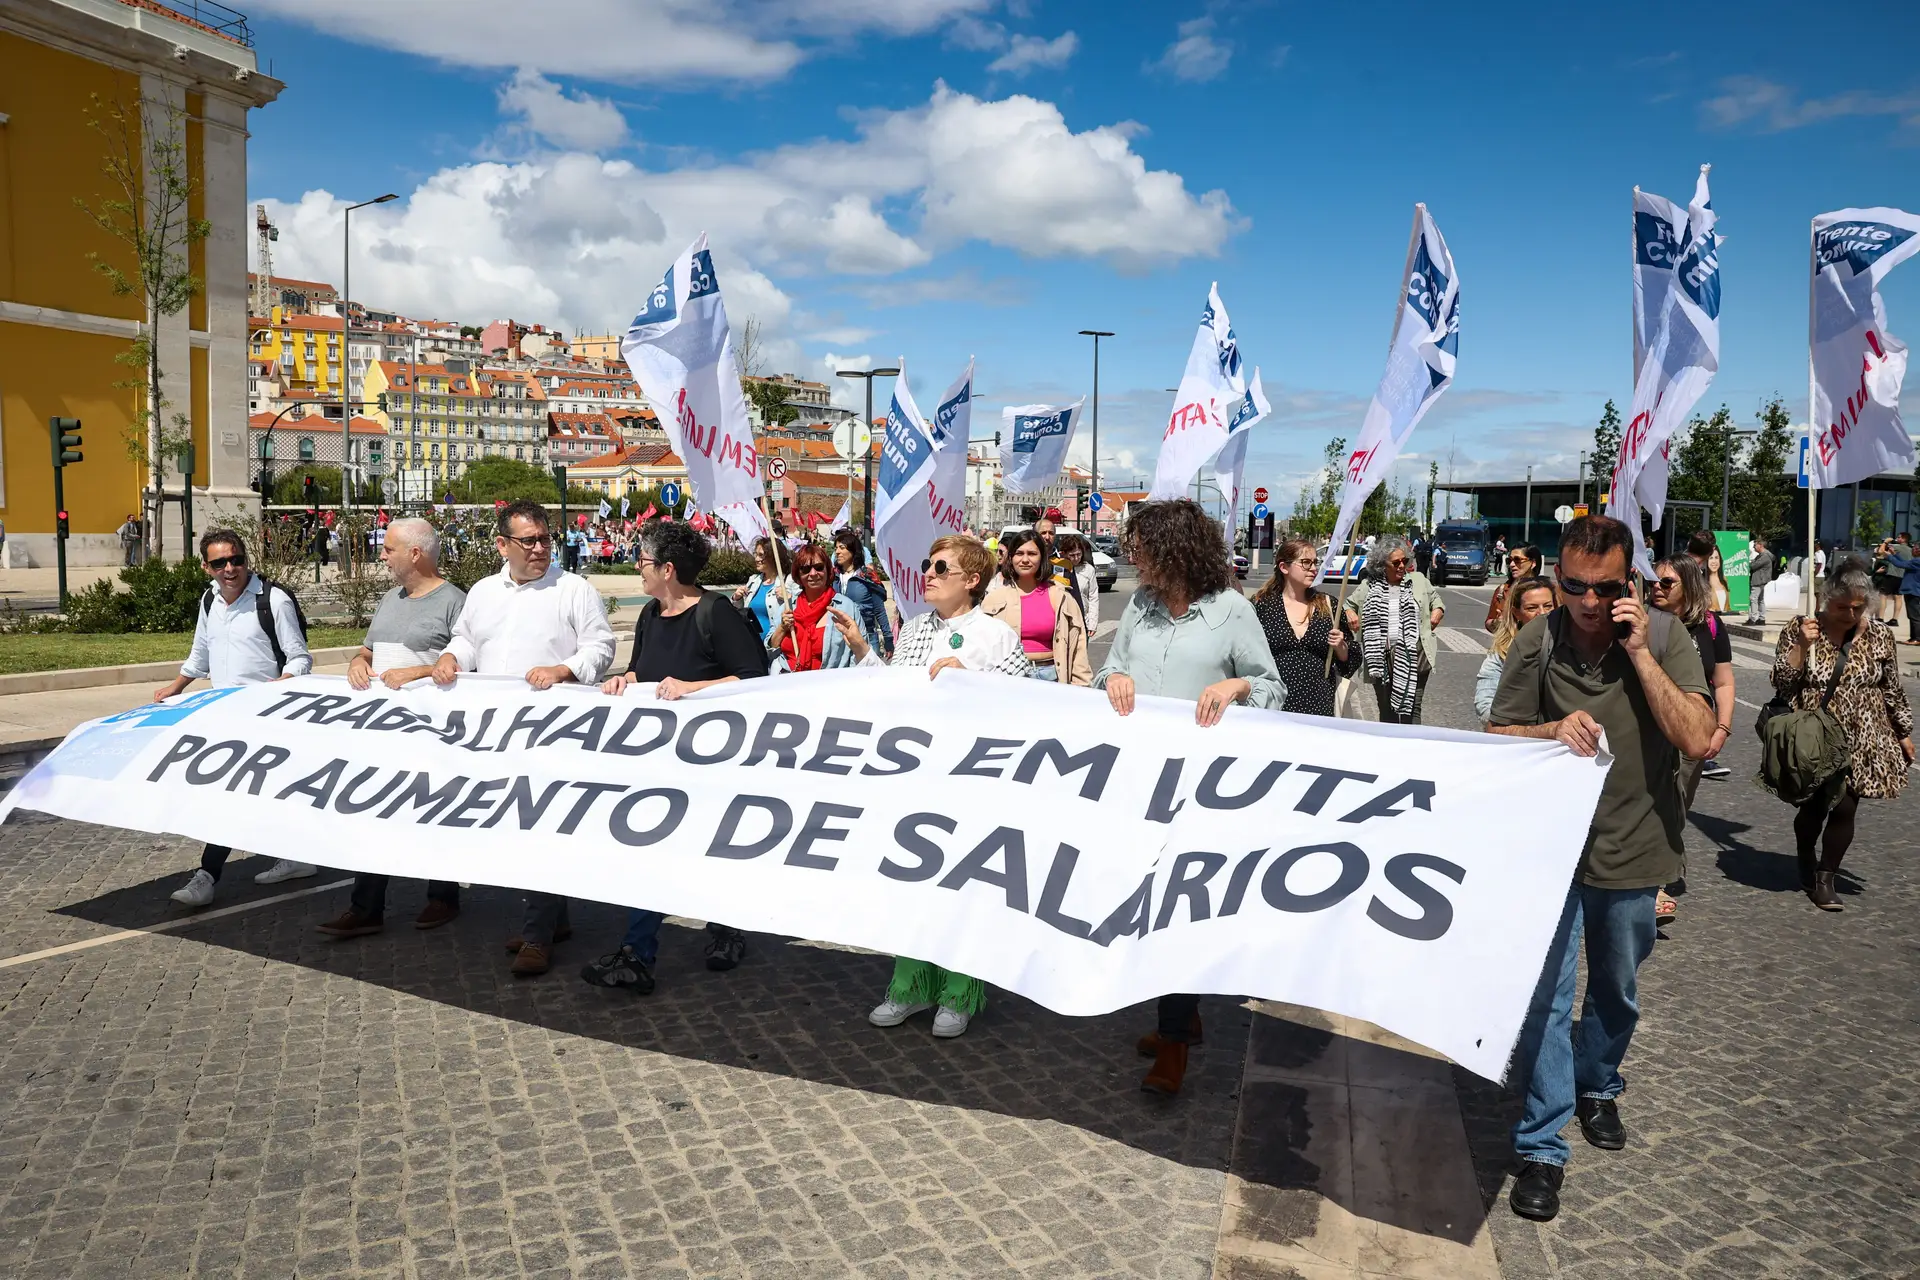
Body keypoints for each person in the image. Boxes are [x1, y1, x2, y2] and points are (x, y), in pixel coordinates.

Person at [1489, 514, 1713, 1224]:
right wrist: (1548, 730)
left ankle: (1598, 1083)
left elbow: (1700, 737)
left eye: (1604, 588)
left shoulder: (1669, 637)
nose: (1587, 602)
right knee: (1547, 1004)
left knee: (1615, 989)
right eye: (1574, 587)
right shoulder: (1539, 638)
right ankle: (1543, 1148)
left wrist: (1642, 655)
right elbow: (1496, 735)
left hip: (1636, 846)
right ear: (1558, 579)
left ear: (1630, 584)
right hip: (1551, 852)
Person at [1095, 499, 1283, 1096]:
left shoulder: (1230, 610)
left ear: (1174, 548)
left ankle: (1173, 1040)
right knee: (1142, 900)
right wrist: (1112, 678)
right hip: (1139, 779)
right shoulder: (1140, 605)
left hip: (1203, 787)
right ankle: (1183, 1015)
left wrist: (1237, 684)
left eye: (1141, 547)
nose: (1132, 557)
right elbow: (1111, 671)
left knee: (1173, 907)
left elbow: (1272, 686)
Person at [833, 534, 1033, 1037]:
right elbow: (895, 691)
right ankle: (910, 986)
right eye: (927, 564)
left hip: (972, 780)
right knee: (914, 883)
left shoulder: (996, 635)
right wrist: (862, 651)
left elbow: (1026, 705)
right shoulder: (916, 628)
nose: (928, 573)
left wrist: (973, 680)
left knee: (963, 886)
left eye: (940, 567)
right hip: (919, 776)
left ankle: (959, 992)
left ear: (970, 580)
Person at [580, 521, 772, 994]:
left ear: (668, 569)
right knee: (652, 852)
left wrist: (693, 689)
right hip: (656, 761)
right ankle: (636, 954)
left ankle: (726, 928)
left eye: (643, 563)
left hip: (712, 762)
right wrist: (625, 679)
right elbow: (640, 668)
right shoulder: (648, 614)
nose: (637, 570)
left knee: (711, 849)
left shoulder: (716, 613)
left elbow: (754, 678)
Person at [431, 500, 617, 977]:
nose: (539, 548)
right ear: (502, 545)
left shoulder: (573, 589)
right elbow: (468, 639)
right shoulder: (482, 591)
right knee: (518, 829)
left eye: (544, 539)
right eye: (528, 540)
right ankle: (555, 919)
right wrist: (453, 657)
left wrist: (564, 669)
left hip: (554, 732)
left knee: (542, 827)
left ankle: (537, 934)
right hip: (495, 731)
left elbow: (600, 645)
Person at [316, 518, 469, 938]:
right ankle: (365, 907)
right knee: (372, 811)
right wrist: (356, 662)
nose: (381, 555)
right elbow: (368, 649)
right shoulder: (389, 599)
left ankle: (443, 895)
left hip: (429, 732)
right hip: (380, 732)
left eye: (388, 549)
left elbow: (464, 664)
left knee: (431, 812)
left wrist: (415, 672)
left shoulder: (456, 602)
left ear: (415, 554)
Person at [160, 529, 317, 906]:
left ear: (246, 559)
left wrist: (282, 682)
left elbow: (300, 657)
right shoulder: (209, 600)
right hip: (225, 718)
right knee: (262, 794)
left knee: (230, 796)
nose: (230, 569)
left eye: (236, 560)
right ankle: (299, 856)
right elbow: (201, 655)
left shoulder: (273, 600)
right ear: (206, 568)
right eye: (220, 563)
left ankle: (206, 876)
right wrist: (175, 688)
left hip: (268, 718)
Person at [1771, 566, 1915, 911]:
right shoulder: (1801, 628)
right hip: (1814, 732)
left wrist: (1904, 731)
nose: (1851, 614)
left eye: (1858, 607)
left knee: (1845, 805)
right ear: (1826, 600)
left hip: (1864, 734)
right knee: (1814, 807)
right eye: (1843, 607)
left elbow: (1891, 686)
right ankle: (1805, 851)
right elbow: (1781, 680)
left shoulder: (1879, 634)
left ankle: (1826, 877)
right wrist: (1802, 647)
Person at [1343, 534, 1443, 724]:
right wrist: (1350, 613)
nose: (1401, 566)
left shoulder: (1419, 580)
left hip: (1415, 655)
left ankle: (1411, 748)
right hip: (1381, 658)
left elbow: (1436, 600)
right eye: (1395, 563)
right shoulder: (1368, 586)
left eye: (1404, 561)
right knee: (1386, 710)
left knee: (1412, 709)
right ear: (1382, 565)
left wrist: (1437, 611)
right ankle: (1389, 748)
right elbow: (1348, 604)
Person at [1251, 537, 1352, 715]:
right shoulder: (1262, 606)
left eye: (1315, 562)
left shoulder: (1328, 605)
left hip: (1319, 705)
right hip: (1274, 705)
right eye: (1305, 563)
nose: (1313, 568)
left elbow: (1351, 659)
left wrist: (1341, 648)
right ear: (1284, 567)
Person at [982, 528, 1091, 685]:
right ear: (1011, 558)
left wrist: (1082, 687)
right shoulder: (993, 599)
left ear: (1042, 558)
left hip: (1051, 678)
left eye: (1032, 554)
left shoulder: (1061, 597)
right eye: (1019, 553)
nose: (1025, 559)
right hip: (1007, 680)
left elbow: (1078, 649)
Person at [1473, 576, 1557, 723]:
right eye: (1532, 608)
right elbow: (1485, 708)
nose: (1542, 613)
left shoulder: (1572, 643)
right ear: (1516, 613)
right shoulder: (1501, 653)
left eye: (1548, 606)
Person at [768, 542, 862, 673]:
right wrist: (783, 628)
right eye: (805, 569)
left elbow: (859, 655)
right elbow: (771, 646)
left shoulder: (846, 607)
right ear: (798, 575)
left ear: (827, 570)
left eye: (818, 567)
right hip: (789, 685)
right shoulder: (788, 607)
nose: (813, 573)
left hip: (829, 686)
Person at [832, 528, 893, 659]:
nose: (837, 552)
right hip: (838, 639)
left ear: (853, 550)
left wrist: (888, 638)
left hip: (867, 638)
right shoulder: (833, 577)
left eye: (842, 547)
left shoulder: (866, 576)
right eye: (836, 548)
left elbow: (879, 610)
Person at [732, 537, 789, 642]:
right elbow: (741, 613)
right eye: (756, 554)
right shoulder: (753, 580)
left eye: (761, 555)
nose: (756, 559)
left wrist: (789, 597)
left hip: (776, 647)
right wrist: (737, 599)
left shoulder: (788, 582)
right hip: (752, 644)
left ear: (773, 556)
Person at [1485, 543, 1545, 631]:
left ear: (1533, 563)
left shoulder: (1546, 591)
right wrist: (1496, 623)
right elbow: (1489, 622)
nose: (1512, 565)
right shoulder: (1502, 590)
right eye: (1509, 561)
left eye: (1517, 560)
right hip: (1508, 644)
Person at [1058, 532, 1101, 633]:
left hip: (1082, 620)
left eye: (1079, 554)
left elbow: (1093, 597)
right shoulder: (1058, 569)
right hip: (1061, 621)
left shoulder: (1088, 570)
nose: (1076, 558)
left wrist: (1092, 624)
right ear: (1063, 554)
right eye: (1072, 555)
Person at [1883, 534, 1920, 646]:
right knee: (1913, 615)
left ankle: (1917, 638)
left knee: (1914, 616)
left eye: (1914, 548)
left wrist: (1888, 556)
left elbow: (1900, 564)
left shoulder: (1917, 561)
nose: (1913, 550)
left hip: (1914, 590)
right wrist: (1895, 554)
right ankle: (1913, 637)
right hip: (1913, 590)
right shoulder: (1915, 561)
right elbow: (1904, 563)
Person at [1747, 534, 1774, 626]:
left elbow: (1753, 566)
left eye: (1755, 545)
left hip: (1759, 579)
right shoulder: (1763, 555)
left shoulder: (1765, 556)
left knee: (1753, 598)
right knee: (1760, 599)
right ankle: (1761, 618)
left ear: (1760, 545)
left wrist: (1751, 562)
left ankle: (1753, 619)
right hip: (1762, 579)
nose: (1754, 547)